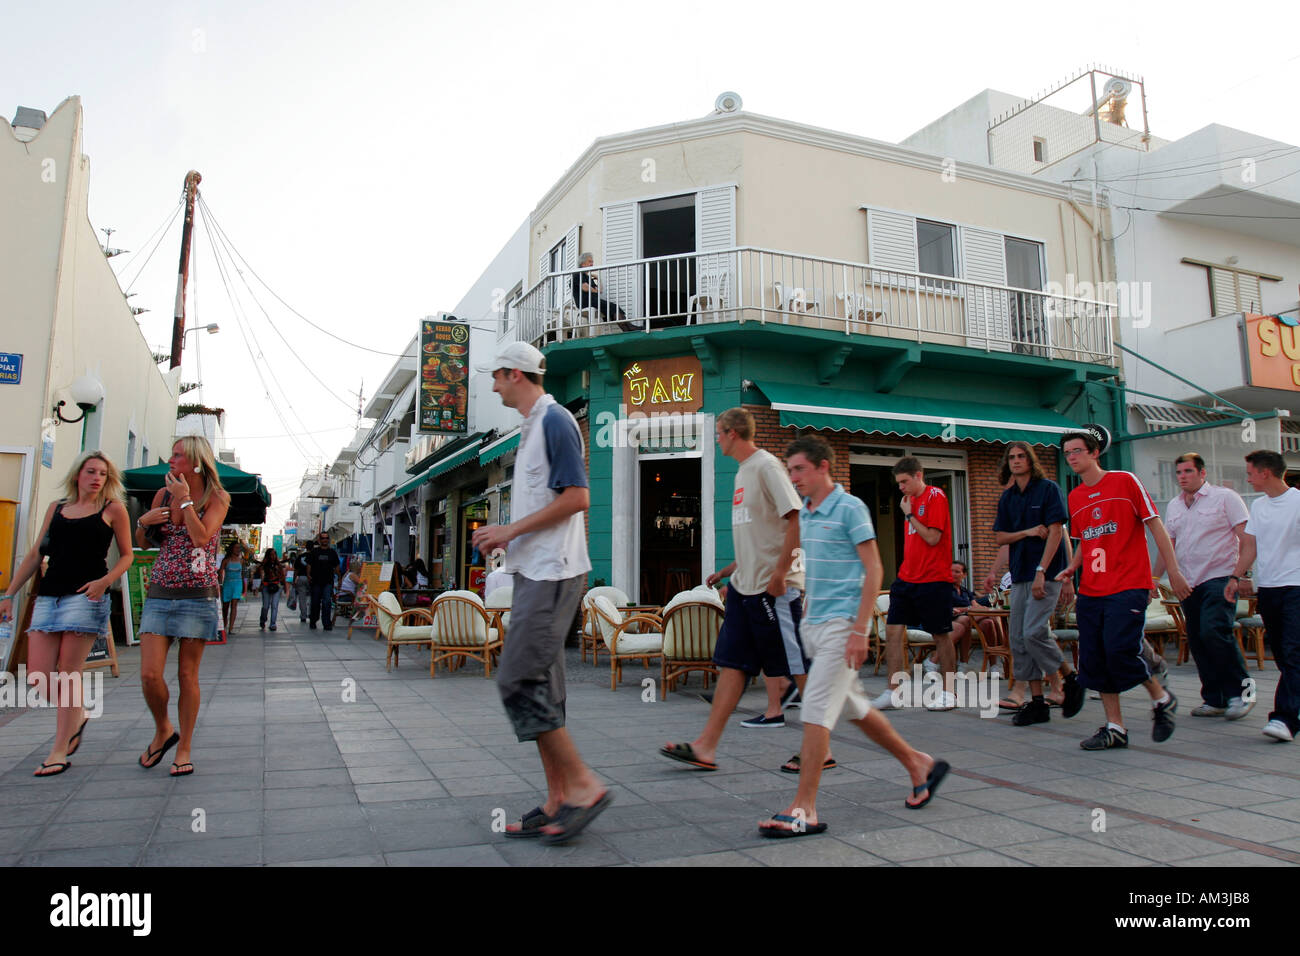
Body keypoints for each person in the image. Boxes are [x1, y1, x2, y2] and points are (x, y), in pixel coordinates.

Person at [759, 437, 949, 837]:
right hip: (814, 626)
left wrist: (860, 630)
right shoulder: (807, 513)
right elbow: (799, 553)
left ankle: (803, 809)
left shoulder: (850, 508)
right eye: (790, 470)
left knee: (814, 709)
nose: (793, 478)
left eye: (799, 470)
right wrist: (780, 576)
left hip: (843, 626)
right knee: (856, 711)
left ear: (823, 467)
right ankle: (918, 764)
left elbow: (875, 570)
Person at [471, 341, 609, 844]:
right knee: (541, 687)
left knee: (517, 679)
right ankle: (557, 799)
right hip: (535, 572)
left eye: (497, 377)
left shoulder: (555, 421)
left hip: (555, 573)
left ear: (515, 374)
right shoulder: (531, 428)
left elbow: (577, 497)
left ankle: (584, 786)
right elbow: (549, 499)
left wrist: (507, 532)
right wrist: (505, 531)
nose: (492, 385)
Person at [660, 406, 818, 774]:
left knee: (798, 668)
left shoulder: (766, 466)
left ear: (732, 433)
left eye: (718, 433)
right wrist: (733, 573)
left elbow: (795, 519)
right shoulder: (743, 473)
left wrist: (781, 574)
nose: (716, 439)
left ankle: (819, 746)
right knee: (731, 664)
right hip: (745, 589)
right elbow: (758, 537)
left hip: (772, 590)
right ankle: (705, 747)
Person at [0, 451, 133, 776]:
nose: (97, 478)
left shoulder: (113, 509)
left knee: (68, 673)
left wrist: (105, 582)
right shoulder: (56, 508)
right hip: (48, 596)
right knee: (38, 677)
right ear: (78, 474)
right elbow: (35, 553)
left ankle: (59, 750)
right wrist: (8, 595)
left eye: (103, 473)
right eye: (91, 471)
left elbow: (127, 556)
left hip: (86, 597)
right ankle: (79, 715)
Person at [1054, 429, 1188, 750]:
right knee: (1094, 658)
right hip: (1092, 588)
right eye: (1067, 453)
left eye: (1077, 451)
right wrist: (1072, 568)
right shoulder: (1075, 497)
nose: (1071, 457)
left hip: (1128, 583)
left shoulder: (1125, 481)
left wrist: (1172, 571)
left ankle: (1161, 699)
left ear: (1094, 453)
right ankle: (1115, 727)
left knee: (1120, 649)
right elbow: (1087, 540)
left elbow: (1156, 525)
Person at [135, 436, 230, 777]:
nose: (171, 460)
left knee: (187, 674)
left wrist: (186, 502)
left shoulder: (217, 497)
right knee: (149, 674)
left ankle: (184, 747)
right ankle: (163, 728)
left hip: (197, 595)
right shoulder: (162, 494)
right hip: (161, 591)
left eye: (177, 455)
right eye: (171, 454)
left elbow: (202, 537)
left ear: (195, 461)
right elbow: (145, 543)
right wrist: (142, 523)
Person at [987, 441, 1084, 727]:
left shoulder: (1048, 489)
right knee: (1018, 639)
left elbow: (1056, 532)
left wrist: (1044, 571)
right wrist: (1028, 532)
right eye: (1012, 457)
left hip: (1046, 574)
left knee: (1033, 632)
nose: (1016, 461)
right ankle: (1038, 702)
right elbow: (1000, 538)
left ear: (1031, 460)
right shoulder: (1007, 498)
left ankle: (1070, 678)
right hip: (1019, 576)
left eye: (1021, 456)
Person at [1152, 452, 1253, 720]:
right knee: (1197, 639)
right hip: (1188, 581)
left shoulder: (1225, 498)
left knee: (1214, 632)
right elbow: (1167, 545)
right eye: (1179, 473)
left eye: (1188, 472)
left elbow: (1246, 538)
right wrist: (1154, 577)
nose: (1182, 477)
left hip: (1219, 576)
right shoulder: (1174, 505)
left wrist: (1241, 575)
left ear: (1202, 473)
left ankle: (1241, 693)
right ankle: (1215, 698)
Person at [1225, 450, 1300, 742]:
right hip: (1269, 588)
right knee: (1282, 654)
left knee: (1293, 652)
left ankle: (1284, 719)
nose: (1248, 478)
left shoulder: (1297, 501)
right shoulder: (1258, 506)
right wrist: (1237, 577)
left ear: (1265, 472)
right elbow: (1250, 548)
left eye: (1250, 473)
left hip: (1296, 586)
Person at [874, 457, 957, 712]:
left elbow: (932, 538)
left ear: (918, 475)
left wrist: (909, 515)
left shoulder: (935, 496)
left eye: (904, 481)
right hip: (907, 577)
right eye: (898, 483)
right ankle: (893, 691)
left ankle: (949, 692)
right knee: (893, 630)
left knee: (941, 634)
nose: (900, 487)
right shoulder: (907, 502)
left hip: (934, 578)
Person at [571, 252, 637, 332]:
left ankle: (628, 328)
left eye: (592, 262)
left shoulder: (588, 277)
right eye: (590, 262)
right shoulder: (577, 274)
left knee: (613, 307)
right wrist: (594, 290)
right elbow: (585, 288)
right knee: (613, 307)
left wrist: (598, 278)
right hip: (585, 302)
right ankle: (629, 328)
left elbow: (600, 290)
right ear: (583, 264)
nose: (592, 264)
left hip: (593, 301)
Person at [308, 532, 340, 630]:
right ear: (319, 540)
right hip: (316, 581)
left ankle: (326, 623)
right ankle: (313, 620)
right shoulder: (314, 552)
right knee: (315, 602)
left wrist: (339, 577)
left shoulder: (332, 552)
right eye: (323, 538)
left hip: (328, 582)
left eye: (326, 538)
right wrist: (309, 575)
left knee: (327, 602)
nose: (325, 540)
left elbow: (337, 566)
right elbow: (309, 564)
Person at [218, 541, 244, 633]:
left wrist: (244, 588)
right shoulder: (225, 561)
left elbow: (243, 575)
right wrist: (220, 584)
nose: (238, 550)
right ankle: (224, 623)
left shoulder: (241, 561)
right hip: (227, 584)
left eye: (239, 548)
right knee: (225, 606)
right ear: (231, 549)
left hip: (238, 584)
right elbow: (220, 573)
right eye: (236, 547)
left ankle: (231, 627)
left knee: (234, 605)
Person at [259, 547, 285, 632]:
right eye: (271, 554)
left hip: (276, 586)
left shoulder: (278, 565)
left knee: (274, 605)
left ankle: (273, 623)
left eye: (274, 554)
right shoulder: (264, 565)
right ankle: (263, 619)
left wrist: (282, 583)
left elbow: (282, 575)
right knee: (266, 606)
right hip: (266, 585)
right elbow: (261, 573)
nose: (273, 556)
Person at [292, 548, 311, 622]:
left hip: (301, 577)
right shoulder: (314, 555)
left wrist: (294, 580)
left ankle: (303, 615)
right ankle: (311, 613)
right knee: (313, 597)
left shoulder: (300, 556)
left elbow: (296, 570)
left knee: (302, 598)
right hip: (312, 578)